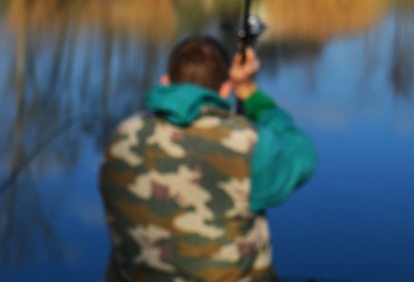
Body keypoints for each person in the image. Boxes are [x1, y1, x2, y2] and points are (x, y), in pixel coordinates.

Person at [99, 35, 316, 282]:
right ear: (225, 90)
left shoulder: (122, 137)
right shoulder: (248, 144)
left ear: (166, 81)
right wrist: (248, 91)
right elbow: (303, 155)